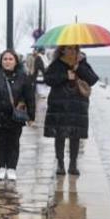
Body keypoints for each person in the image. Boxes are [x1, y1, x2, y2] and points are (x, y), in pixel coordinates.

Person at [43, 45, 99, 175]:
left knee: (76, 134)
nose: (72, 51)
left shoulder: (82, 62)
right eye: (69, 48)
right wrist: (65, 76)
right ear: (62, 50)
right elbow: (48, 79)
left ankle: (73, 164)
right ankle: (60, 164)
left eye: (75, 48)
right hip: (59, 104)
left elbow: (93, 79)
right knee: (59, 134)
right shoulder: (56, 64)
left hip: (77, 105)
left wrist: (78, 67)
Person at [0, 49, 36, 181]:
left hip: (14, 117)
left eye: (10, 59)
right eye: (5, 59)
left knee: (13, 143)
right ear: (1, 61)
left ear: (16, 61)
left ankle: (11, 168)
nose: (7, 62)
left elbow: (30, 98)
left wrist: (31, 116)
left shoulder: (23, 78)